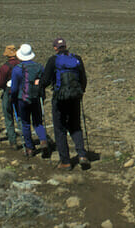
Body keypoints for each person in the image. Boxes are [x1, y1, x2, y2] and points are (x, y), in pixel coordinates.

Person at [43, 37, 89, 170]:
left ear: (55, 48)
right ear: (66, 46)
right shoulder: (77, 59)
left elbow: (45, 80)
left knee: (60, 128)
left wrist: (40, 85)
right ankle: (82, 155)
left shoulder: (53, 60)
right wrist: (80, 92)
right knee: (75, 126)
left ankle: (65, 161)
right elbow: (83, 78)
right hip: (75, 97)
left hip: (60, 99)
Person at [10, 43, 51, 158]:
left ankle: (29, 148)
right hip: (36, 98)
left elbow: (14, 88)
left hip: (22, 99)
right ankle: (43, 141)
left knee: (25, 123)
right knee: (38, 121)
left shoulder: (17, 69)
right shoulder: (39, 67)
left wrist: (12, 99)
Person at [0, 44, 21, 149]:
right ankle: (26, 139)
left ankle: (13, 141)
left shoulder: (5, 67)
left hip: (8, 92)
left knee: (8, 117)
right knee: (21, 117)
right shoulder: (21, 64)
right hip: (20, 92)